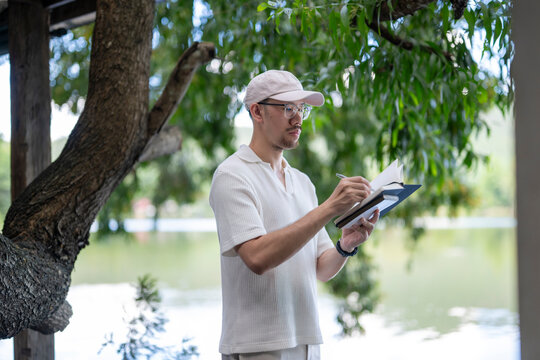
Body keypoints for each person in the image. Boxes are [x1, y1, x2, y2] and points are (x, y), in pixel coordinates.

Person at [209, 69, 379, 360]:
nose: (297, 117)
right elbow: (257, 258)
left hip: (308, 342)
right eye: (287, 107)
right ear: (257, 111)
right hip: (259, 347)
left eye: (301, 109)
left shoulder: (302, 182)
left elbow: (321, 268)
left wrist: (346, 245)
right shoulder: (232, 176)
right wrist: (329, 208)